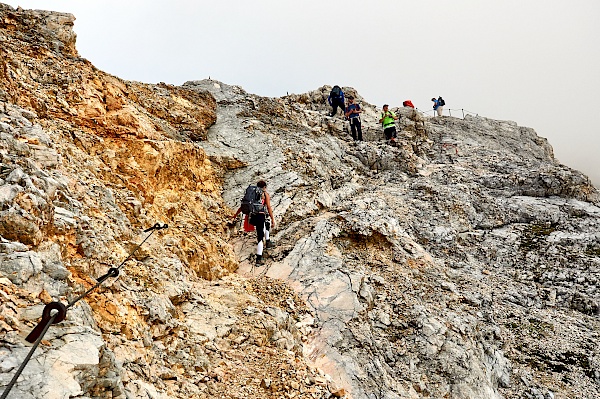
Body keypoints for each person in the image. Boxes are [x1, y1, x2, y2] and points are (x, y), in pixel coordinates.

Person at [232, 180, 275, 265]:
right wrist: (273, 218)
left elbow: (243, 206)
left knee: (266, 223)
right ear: (265, 187)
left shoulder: (251, 194)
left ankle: (268, 241)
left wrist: (235, 215)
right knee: (260, 237)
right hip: (260, 217)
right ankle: (259, 259)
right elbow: (269, 207)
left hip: (251, 217)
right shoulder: (264, 194)